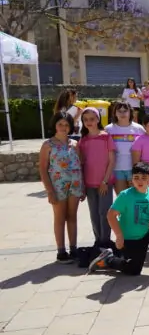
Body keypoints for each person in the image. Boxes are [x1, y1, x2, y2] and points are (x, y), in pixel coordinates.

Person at [87, 162, 149, 276]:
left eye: (143, 178)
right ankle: (108, 259)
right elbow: (110, 215)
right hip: (133, 238)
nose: (140, 181)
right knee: (134, 270)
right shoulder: (125, 195)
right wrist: (119, 236)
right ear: (132, 179)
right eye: (136, 178)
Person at [39, 112, 83, 263]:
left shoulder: (75, 144)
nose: (63, 127)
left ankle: (73, 247)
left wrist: (82, 186)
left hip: (75, 184)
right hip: (58, 185)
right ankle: (61, 250)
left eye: (66, 124)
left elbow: (80, 165)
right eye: (60, 124)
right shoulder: (48, 145)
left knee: (72, 216)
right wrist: (49, 190)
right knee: (60, 217)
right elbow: (43, 169)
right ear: (55, 125)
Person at [78, 108, 116, 249]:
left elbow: (112, 161)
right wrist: (82, 185)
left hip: (104, 183)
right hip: (89, 183)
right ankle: (98, 240)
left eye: (92, 119)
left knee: (104, 212)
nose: (89, 122)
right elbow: (81, 164)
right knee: (94, 213)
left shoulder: (106, 137)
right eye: (86, 119)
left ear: (98, 119)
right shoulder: (83, 140)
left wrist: (105, 181)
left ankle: (105, 240)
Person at [106, 101, 145, 195]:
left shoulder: (138, 128)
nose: (122, 113)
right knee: (123, 199)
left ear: (130, 112)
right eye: (119, 111)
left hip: (135, 169)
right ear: (115, 113)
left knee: (135, 198)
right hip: (117, 169)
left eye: (125, 111)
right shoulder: (108, 129)